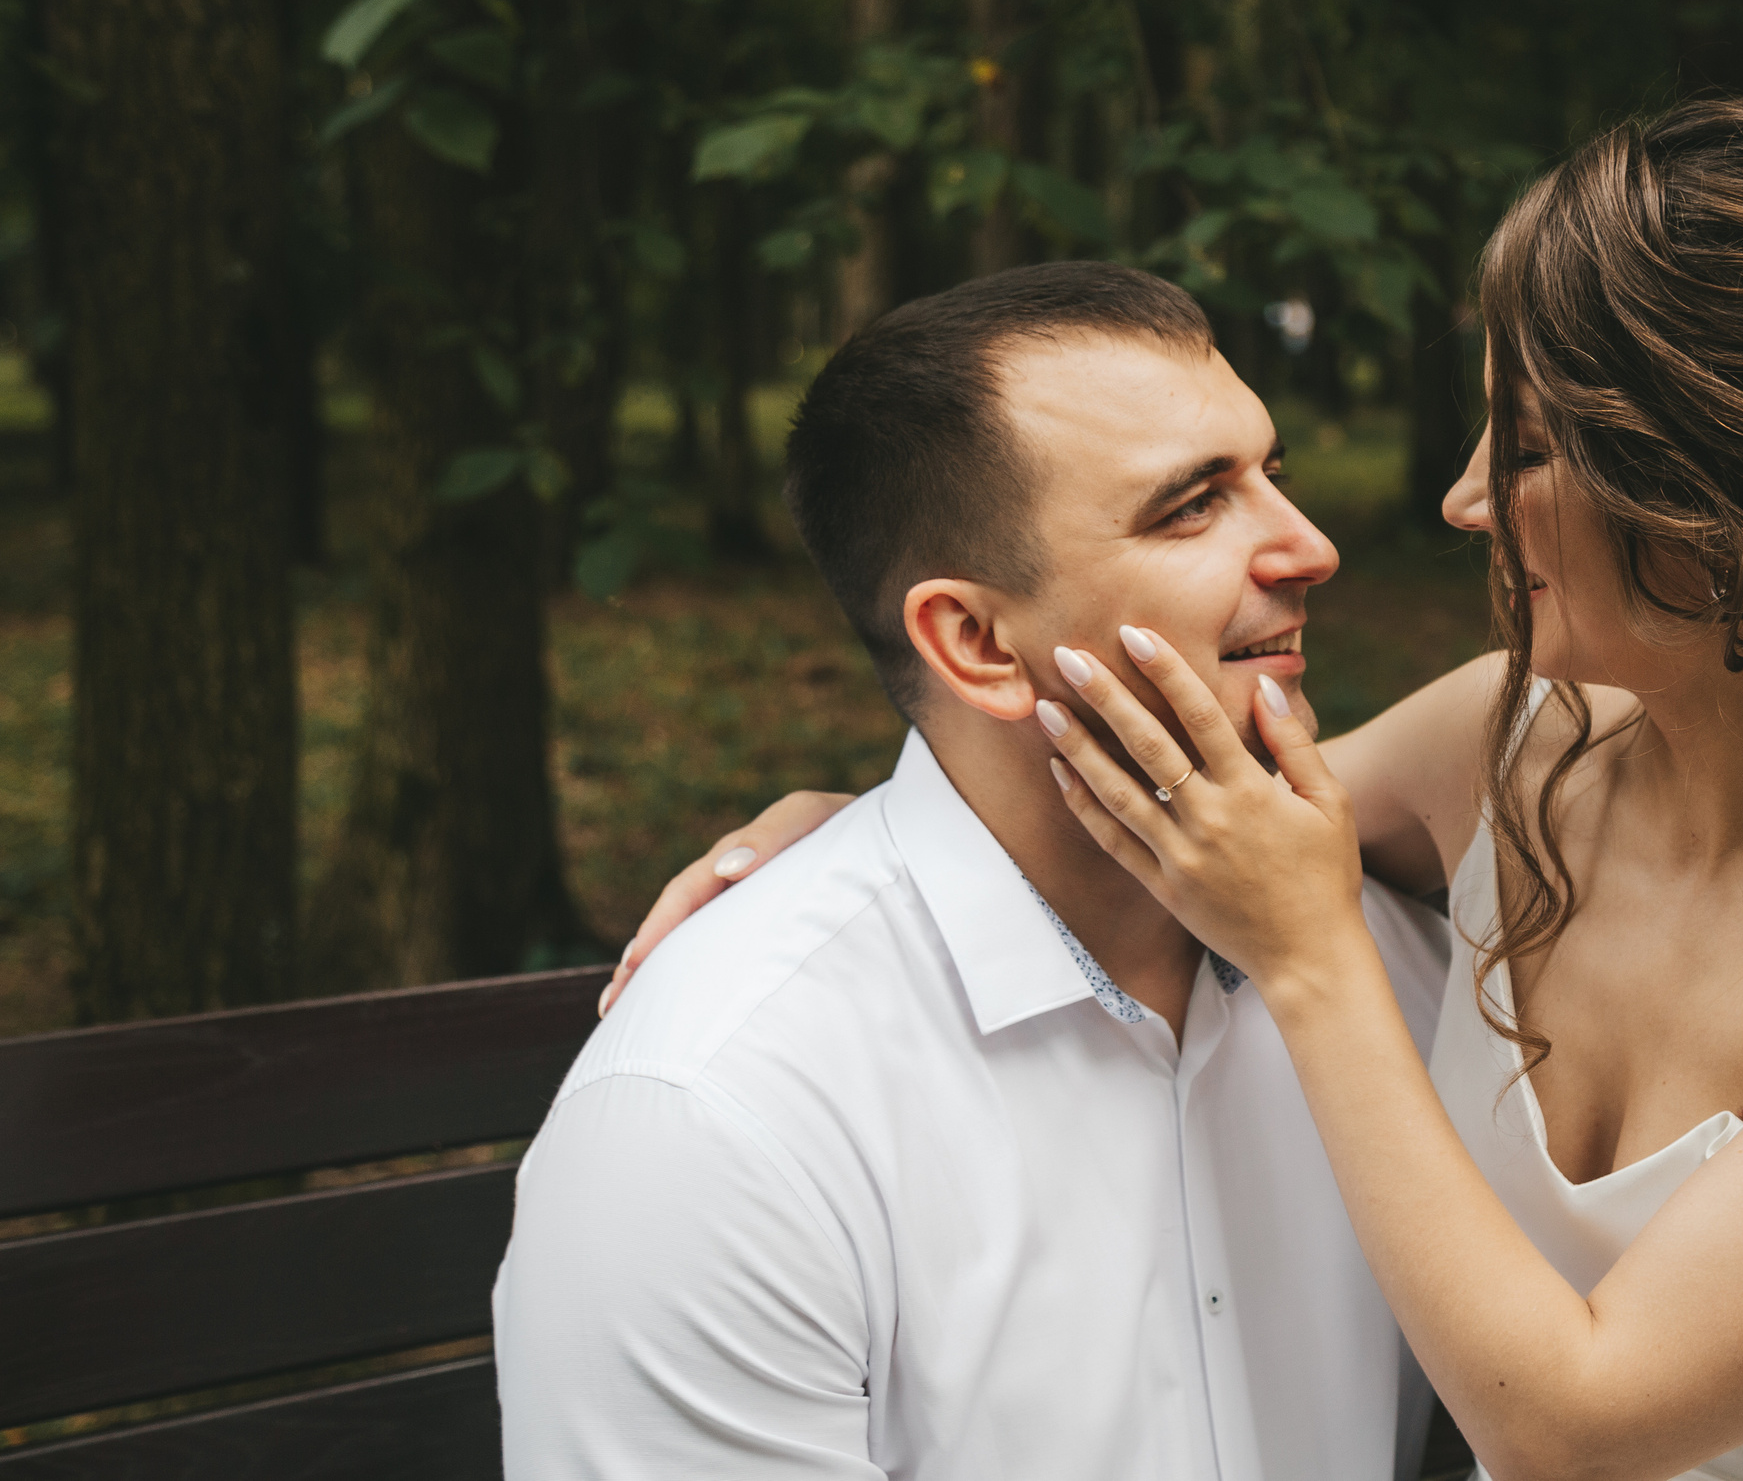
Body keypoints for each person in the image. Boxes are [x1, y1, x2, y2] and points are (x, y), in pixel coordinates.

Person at [625, 98, 1743, 1481]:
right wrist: (865, 827)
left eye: (1527, 448)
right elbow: (1155, 824)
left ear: (1723, 501)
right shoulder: (1506, 739)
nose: (1464, 497)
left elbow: (1577, 1429)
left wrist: (1321, 958)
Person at [493, 262, 1452, 1480]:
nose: (1308, 548)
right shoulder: (716, 1124)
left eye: (1276, 475)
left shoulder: (1398, 969)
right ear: (978, 644)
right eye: (1193, 505)